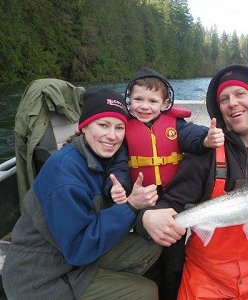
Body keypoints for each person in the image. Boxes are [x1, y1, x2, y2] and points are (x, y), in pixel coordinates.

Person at [135, 64, 248, 300]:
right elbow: (171, 204)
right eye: (224, 99)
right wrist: (145, 217)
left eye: (240, 94)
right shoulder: (205, 154)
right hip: (203, 282)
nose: (232, 103)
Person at [2, 87, 162, 300]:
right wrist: (131, 206)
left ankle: (106, 284)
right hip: (41, 279)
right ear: (84, 127)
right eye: (103, 125)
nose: (112, 136)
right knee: (145, 292)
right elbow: (79, 249)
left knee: (152, 246)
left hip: (69, 256)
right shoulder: (64, 176)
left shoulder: (101, 157)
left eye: (119, 127)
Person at [108, 67, 224, 299]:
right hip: (142, 202)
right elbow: (118, 165)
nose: (144, 106)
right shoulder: (123, 129)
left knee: (174, 260)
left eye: (152, 100)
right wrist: (119, 185)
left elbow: (193, 137)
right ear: (128, 99)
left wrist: (206, 139)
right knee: (148, 259)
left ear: (164, 103)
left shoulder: (177, 125)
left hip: (174, 202)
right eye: (138, 99)